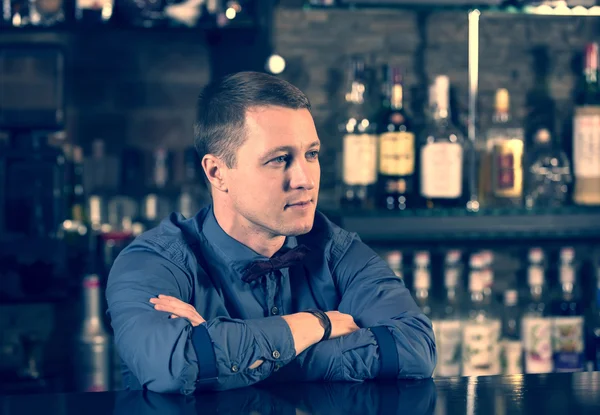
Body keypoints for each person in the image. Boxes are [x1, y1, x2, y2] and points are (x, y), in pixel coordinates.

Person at [105, 71, 436, 395]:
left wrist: (233, 359)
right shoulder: (152, 262)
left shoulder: (337, 250)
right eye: (280, 159)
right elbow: (176, 366)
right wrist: (318, 324)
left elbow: (415, 349)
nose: (305, 179)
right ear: (217, 172)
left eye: (311, 154)